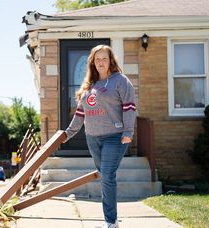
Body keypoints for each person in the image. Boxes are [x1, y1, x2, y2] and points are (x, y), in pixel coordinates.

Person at [64, 44, 136, 228]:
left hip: (115, 136)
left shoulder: (120, 81)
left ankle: (110, 222)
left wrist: (128, 131)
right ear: (93, 63)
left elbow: (129, 107)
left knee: (107, 176)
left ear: (111, 61)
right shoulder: (89, 85)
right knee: (105, 175)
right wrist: (68, 134)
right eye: (97, 59)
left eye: (104, 58)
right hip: (92, 137)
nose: (101, 62)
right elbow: (81, 113)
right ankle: (112, 221)